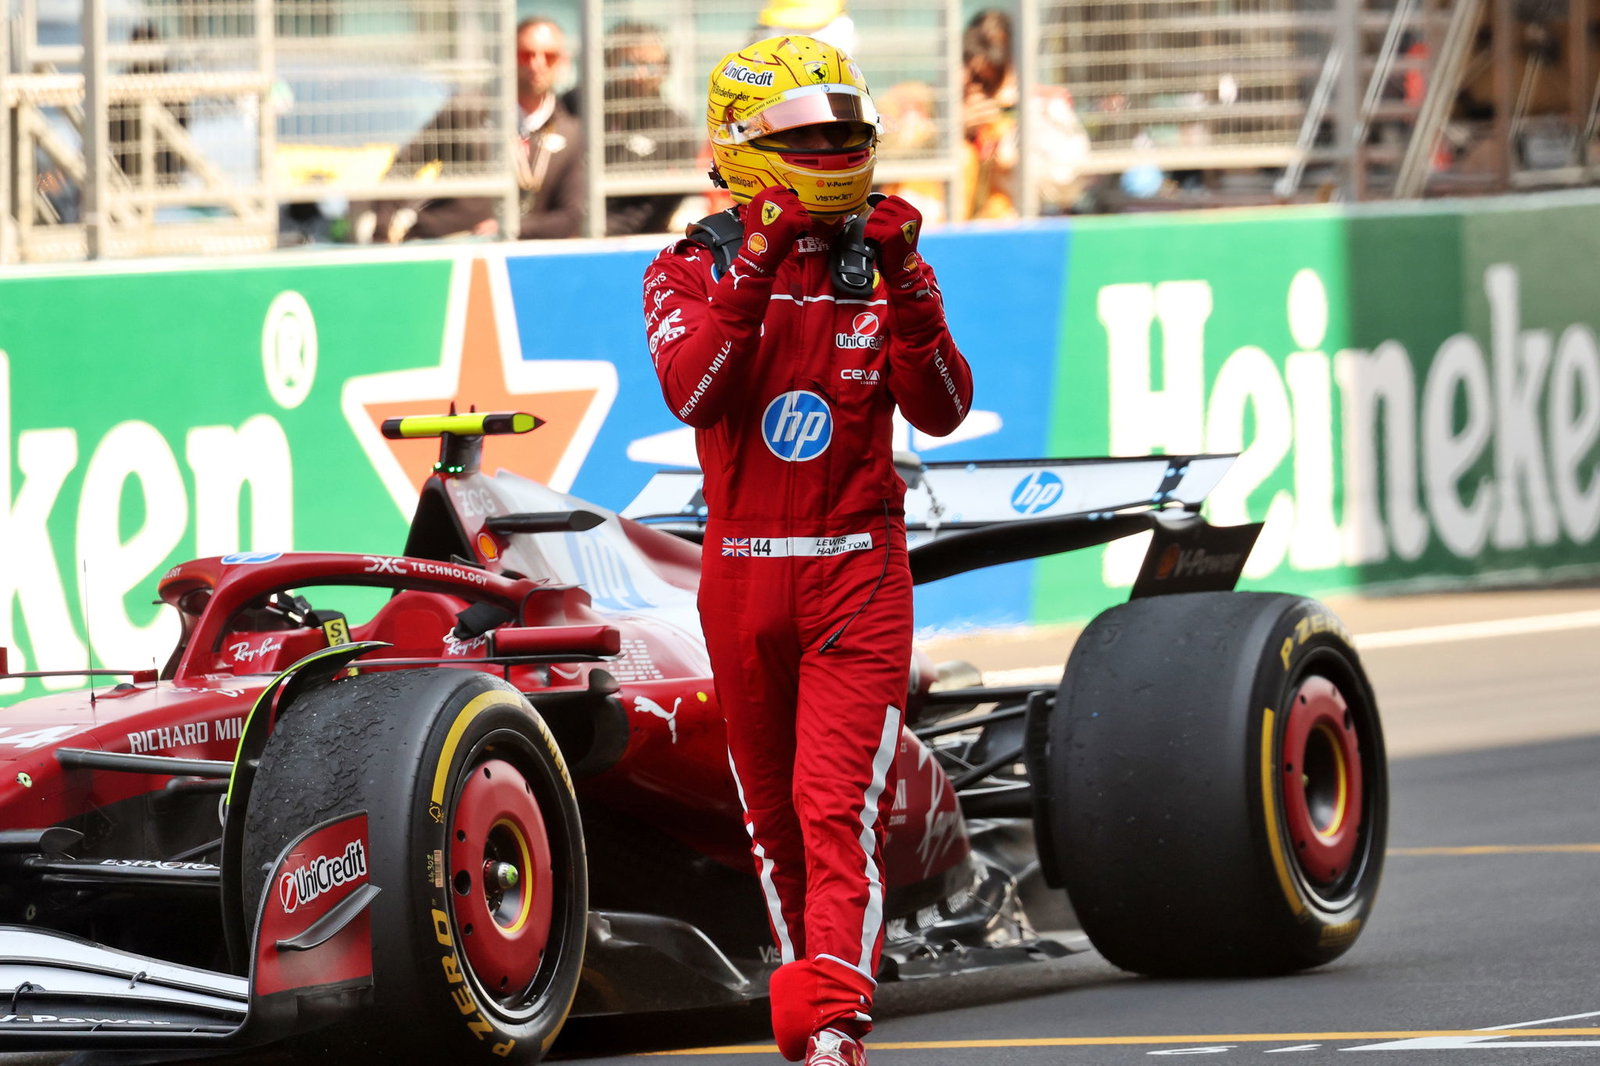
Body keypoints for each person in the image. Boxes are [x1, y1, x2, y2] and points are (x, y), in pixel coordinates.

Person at [641, 35, 972, 1066]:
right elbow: (693, 391)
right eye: (806, 136)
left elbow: (946, 406)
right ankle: (816, 1009)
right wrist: (754, 267)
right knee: (772, 820)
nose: (832, 150)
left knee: (836, 810)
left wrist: (912, 287)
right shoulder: (686, 266)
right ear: (743, 145)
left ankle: (834, 1027)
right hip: (740, 573)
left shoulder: (885, 260)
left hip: (857, 570)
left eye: (845, 132)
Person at [362, 17, 584, 242]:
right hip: (445, 242)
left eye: (549, 56)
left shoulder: (571, 131)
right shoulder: (468, 109)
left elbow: (571, 215)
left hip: (515, 255)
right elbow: (404, 168)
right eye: (525, 55)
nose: (537, 64)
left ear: (563, 62)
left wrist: (514, 228)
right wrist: (381, 233)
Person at [600, 21, 696, 236]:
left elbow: (661, 205)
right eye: (628, 64)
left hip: (639, 238)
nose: (640, 75)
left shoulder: (676, 128)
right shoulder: (581, 110)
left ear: (666, 69)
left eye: (651, 66)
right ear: (610, 64)